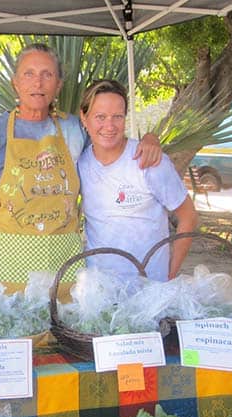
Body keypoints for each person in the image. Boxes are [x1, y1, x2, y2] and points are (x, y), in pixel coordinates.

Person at [0, 43, 162, 294]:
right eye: (29, 74)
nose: (38, 83)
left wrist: (150, 138)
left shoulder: (74, 130)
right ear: (15, 83)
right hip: (3, 271)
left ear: (58, 85)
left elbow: (112, 143)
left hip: (62, 268)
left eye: (47, 75)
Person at [77, 79, 198, 281]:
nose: (109, 126)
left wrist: (169, 275)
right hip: (99, 290)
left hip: (148, 289)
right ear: (84, 117)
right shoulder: (80, 162)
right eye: (100, 117)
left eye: (117, 117)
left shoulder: (149, 161)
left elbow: (188, 216)